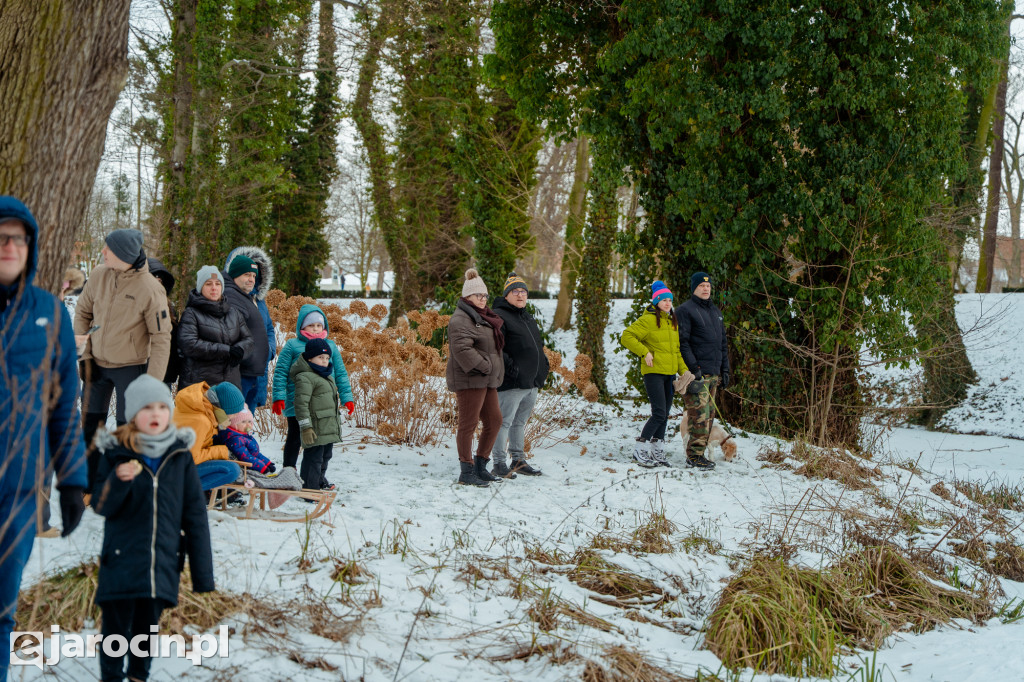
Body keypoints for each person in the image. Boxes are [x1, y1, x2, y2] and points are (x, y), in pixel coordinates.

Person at [0, 197, 87, 682]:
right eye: (1, 237)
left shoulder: (50, 313)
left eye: (19, 237)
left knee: (2, 611)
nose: (9, 246)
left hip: (17, 492)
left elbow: (63, 409)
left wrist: (72, 480)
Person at [90, 374, 214, 682]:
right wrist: (118, 481)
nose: (155, 414)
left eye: (162, 406)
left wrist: (203, 575)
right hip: (121, 560)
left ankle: (138, 677)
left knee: (146, 632)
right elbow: (101, 506)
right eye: (147, 408)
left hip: (162, 562)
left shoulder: (180, 457)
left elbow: (195, 517)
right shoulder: (116, 453)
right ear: (133, 415)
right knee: (116, 633)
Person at [75, 228, 171, 486]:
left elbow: (162, 338)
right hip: (95, 363)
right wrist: (84, 355)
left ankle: (122, 483)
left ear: (124, 254)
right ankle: (89, 482)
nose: (103, 252)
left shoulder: (151, 288)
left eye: (108, 249)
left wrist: (152, 384)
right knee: (90, 425)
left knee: (126, 429)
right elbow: (82, 313)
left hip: (131, 367)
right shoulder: (98, 275)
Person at [272, 305, 354, 472]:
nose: (315, 329)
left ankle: (315, 477)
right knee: (295, 436)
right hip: (298, 401)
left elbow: (341, 373)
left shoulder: (329, 346)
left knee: (321, 441)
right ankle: (288, 470)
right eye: (311, 325)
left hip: (322, 405)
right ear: (302, 326)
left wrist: (347, 397)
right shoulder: (292, 345)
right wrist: (278, 396)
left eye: (319, 325)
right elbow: (281, 372)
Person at [446, 269, 505, 487]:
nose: (482, 299)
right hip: (470, 378)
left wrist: (492, 368)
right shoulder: (461, 319)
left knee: (494, 420)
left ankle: (481, 465)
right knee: (468, 424)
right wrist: (486, 366)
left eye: (484, 295)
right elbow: (462, 350)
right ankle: (466, 470)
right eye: (478, 295)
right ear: (467, 297)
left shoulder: (483, 317)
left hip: (486, 379)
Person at [620, 280, 689, 468]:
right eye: (663, 300)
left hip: (669, 374)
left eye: (670, 300)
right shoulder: (648, 320)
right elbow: (626, 336)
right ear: (656, 301)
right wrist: (645, 352)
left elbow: (676, 351)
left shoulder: (672, 322)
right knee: (658, 413)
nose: (667, 303)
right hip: (653, 373)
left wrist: (684, 372)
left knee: (665, 414)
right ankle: (640, 448)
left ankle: (657, 449)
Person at [491, 272, 548, 478]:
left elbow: (537, 347)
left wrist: (544, 365)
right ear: (506, 295)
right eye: (515, 291)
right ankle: (498, 462)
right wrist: (512, 368)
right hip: (512, 382)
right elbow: (495, 348)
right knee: (503, 422)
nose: (520, 295)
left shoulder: (526, 316)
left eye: (523, 291)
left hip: (531, 383)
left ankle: (517, 460)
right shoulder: (499, 316)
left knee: (519, 423)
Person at [674, 272, 730, 471]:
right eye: (701, 286)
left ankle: (701, 453)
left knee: (708, 417)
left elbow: (722, 343)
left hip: (713, 372)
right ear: (694, 288)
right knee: (698, 415)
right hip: (697, 374)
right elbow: (683, 342)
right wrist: (694, 368)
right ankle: (694, 456)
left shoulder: (716, 312)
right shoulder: (685, 311)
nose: (706, 289)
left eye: (708, 286)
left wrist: (725, 369)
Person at [177, 266, 253, 390]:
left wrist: (239, 350)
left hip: (230, 384)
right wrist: (226, 350)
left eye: (218, 284)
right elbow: (189, 344)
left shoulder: (233, 312)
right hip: (200, 386)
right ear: (200, 287)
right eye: (208, 284)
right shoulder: (191, 313)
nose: (214, 288)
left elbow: (248, 339)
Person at [222, 248, 277, 412]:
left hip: (257, 372)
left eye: (254, 275)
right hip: (238, 372)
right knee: (233, 423)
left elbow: (268, 329)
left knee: (246, 423)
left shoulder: (259, 301)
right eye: (246, 274)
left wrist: (269, 350)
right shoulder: (228, 297)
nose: (251, 279)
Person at [291, 338, 343, 490]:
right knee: (314, 458)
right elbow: (301, 404)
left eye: (327, 358)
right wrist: (306, 427)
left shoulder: (326, 376)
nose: (324, 361)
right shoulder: (305, 377)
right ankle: (309, 487)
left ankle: (319, 481)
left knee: (325, 456)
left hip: (327, 425)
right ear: (309, 358)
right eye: (320, 357)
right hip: (315, 426)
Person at [172, 381, 243, 491]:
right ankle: (178, 494)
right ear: (222, 409)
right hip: (175, 467)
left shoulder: (201, 408)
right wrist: (222, 452)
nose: (234, 417)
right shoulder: (201, 420)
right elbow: (190, 458)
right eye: (233, 413)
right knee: (231, 470)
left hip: (174, 464)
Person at [147, 257, 180, 388]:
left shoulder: (170, 310)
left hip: (164, 376)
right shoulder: (133, 308)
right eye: (152, 279)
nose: (156, 284)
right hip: (139, 375)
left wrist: (172, 374)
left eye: (160, 281)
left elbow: (173, 344)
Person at [215, 407, 277, 474]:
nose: (248, 425)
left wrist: (267, 463)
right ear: (234, 425)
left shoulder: (244, 435)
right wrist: (262, 467)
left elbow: (254, 452)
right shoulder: (235, 439)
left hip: (251, 462)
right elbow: (245, 456)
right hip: (242, 466)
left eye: (250, 422)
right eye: (243, 422)